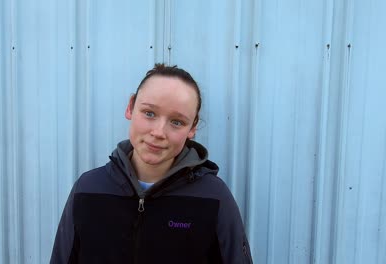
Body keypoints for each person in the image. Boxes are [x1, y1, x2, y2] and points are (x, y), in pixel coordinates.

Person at [50, 63, 253, 263]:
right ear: (130, 107)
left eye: (177, 122)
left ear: (192, 127)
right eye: (149, 113)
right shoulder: (88, 189)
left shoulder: (214, 198)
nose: (158, 132)